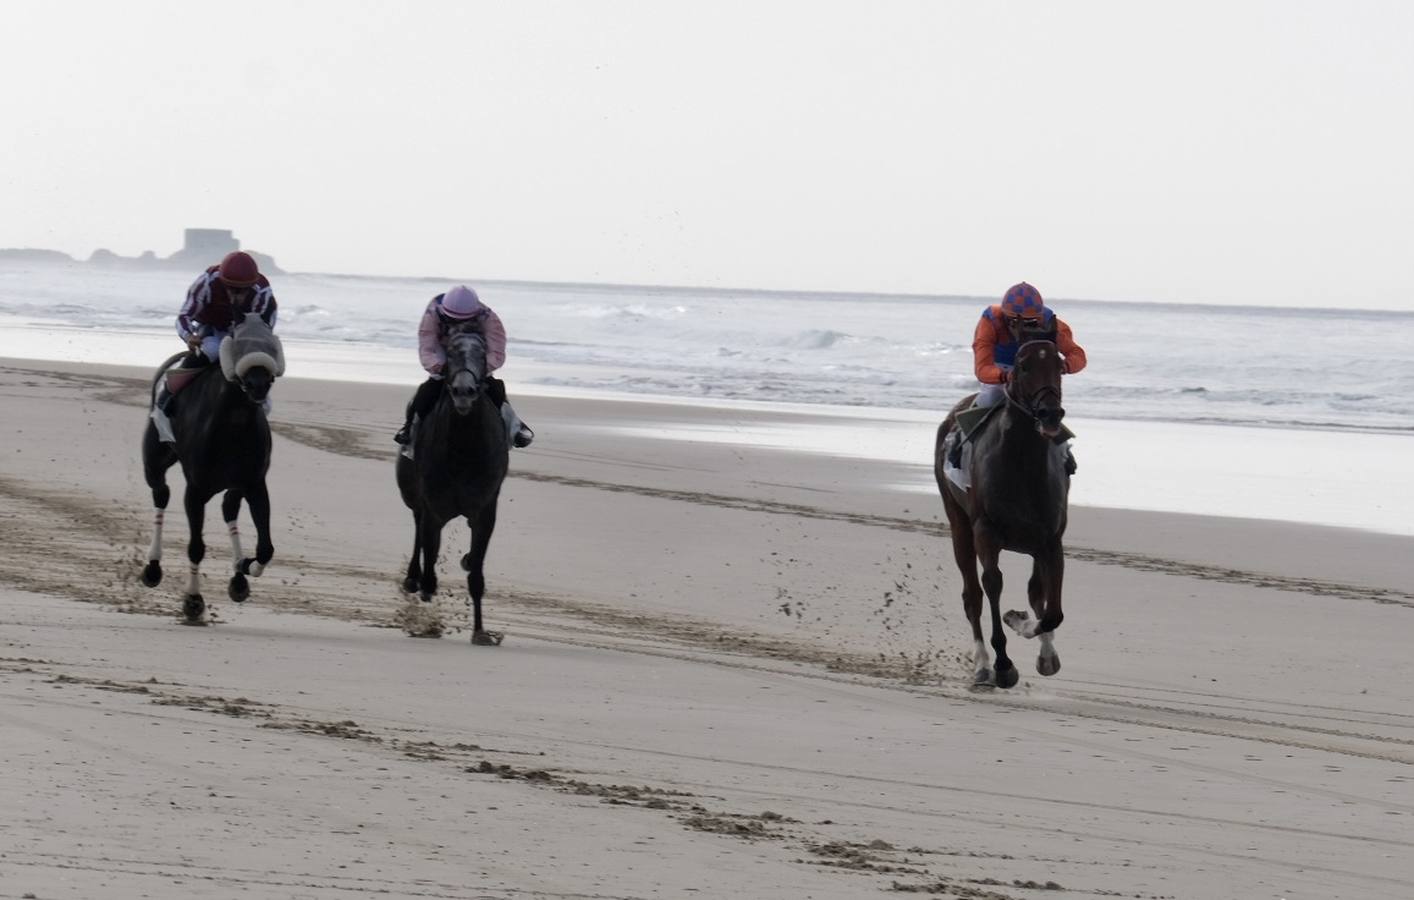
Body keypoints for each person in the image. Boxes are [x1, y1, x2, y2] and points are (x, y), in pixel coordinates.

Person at [947, 281, 1086, 473]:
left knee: (1048, 405)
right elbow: (982, 369)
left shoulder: (1051, 323)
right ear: (1006, 317)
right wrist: (1005, 376)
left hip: (1034, 371)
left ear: (1039, 317)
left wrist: (1066, 365)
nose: (1022, 328)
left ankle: (1063, 451)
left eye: (1031, 323)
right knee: (989, 398)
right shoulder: (990, 321)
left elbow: (1078, 354)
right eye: (1015, 322)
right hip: (1001, 370)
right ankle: (960, 442)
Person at [151, 251, 279, 442]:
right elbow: (184, 316)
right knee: (212, 350)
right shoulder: (207, 282)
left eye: (243, 290)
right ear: (222, 281)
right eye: (232, 289)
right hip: (212, 331)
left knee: (259, 372)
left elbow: (262, 329)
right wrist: (189, 336)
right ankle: (168, 394)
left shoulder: (263, 293)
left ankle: (258, 409)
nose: (237, 295)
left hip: (246, 335)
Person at [393, 285, 534, 451]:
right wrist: (439, 366)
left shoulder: (488, 317)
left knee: (496, 389)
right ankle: (409, 429)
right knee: (427, 389)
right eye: (452, 319)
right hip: (445, 353)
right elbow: (427, 345)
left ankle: (515, 429)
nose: (457, 322)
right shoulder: (433, 312)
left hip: (474, 357)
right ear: (445, 311)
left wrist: (479, 370)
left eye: (462, 320)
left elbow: (496, 351)